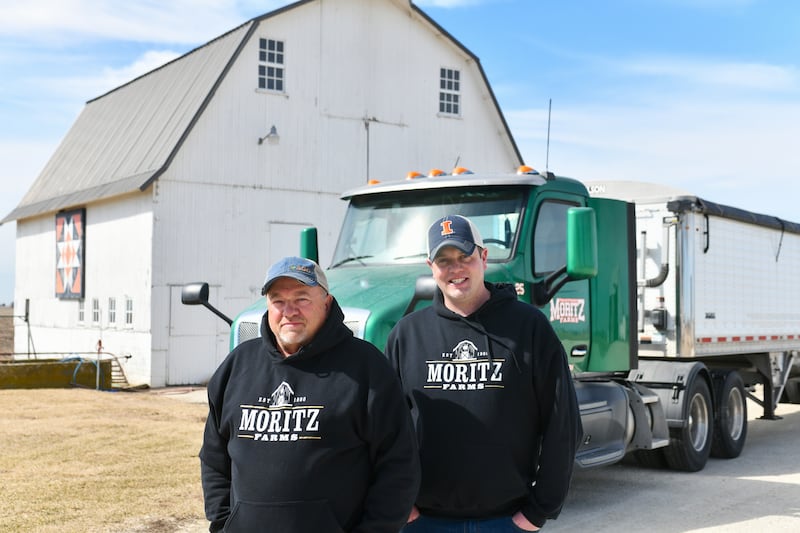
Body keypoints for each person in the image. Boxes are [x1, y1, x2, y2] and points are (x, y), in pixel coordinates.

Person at [386, 215, 582, 532]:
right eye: (444, 260)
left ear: (484, 257)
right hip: (425, 522)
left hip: (506, 521)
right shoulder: (407, 335)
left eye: (465, 257)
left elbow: (563, 422)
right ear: (430, 266)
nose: (456, 269)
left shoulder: (528, 327)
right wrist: (399, 501)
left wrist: (538, 511)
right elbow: (384, 429)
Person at [200, 256, 420, 532]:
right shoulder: (237, 366)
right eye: (278, 300)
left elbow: (398, 465)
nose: (289, 310)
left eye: (302, 298)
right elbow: (214, 458)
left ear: (326, 303)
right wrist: (224, 524)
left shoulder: (366, 367)